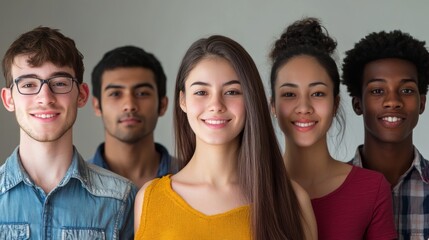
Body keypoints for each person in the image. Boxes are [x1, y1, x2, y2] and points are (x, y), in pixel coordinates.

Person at [134, 35, 317, 240]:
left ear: (251, 99)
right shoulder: (149, 199)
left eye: (231, 91)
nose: (216, 105)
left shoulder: (292, 200)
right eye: (201, 92)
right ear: (182, 101)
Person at [0, 26, 136, 239]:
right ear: (9, 99)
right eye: (28, 84)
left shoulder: (122, 198)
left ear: (81, 95)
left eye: (60, 83)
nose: (45, 97)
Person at [269, 18, 397, 239]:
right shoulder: (250, 188)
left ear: (336, 104)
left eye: (317, 93)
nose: (304, 107)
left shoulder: (372, 189)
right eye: (289, 94)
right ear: (273, 106)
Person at [342, 29, 429, 239]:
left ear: (422, 103)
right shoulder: (333, 189)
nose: (393, 101)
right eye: (377, 91)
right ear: (357, 104)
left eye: (407, 90)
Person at [89, 46, 174, 188]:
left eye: (142, 93)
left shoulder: (193, 179)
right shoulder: (75, 186)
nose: (129, 105)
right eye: (115, 94)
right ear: (97, 106)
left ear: (163, 105)